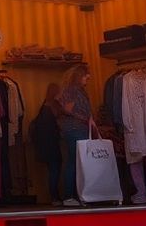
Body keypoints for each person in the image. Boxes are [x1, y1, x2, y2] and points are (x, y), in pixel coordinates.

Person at [56, 64, 95, 207]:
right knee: (74, 161)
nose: (88, 77)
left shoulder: (78, 90)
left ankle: (77, 194)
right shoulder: (72, 90)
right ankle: (69, 195)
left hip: (78, 129)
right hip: (75, 129)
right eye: (85, 75)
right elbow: (67, 109)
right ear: (79, 76)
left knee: (78, 162)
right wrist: (85, 118)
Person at [28, 83, 63, 206]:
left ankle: (55, 197)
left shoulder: (44, 107)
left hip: (45, 146)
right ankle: (55, 197)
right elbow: (57, 127)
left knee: (52, 171)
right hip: (52, 145)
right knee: (55, 171)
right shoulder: (53, 108)